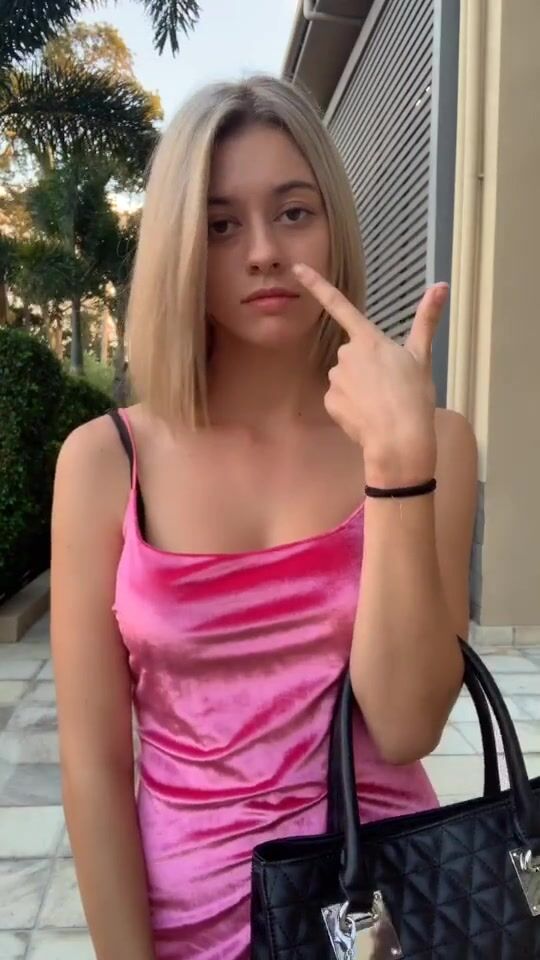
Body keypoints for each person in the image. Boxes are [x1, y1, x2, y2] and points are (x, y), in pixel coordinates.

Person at [50, 75, 478, 960]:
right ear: (178, 246)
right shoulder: (104, 461)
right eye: (219, 225)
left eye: (293, 212)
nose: (262, 253)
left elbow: (406, 725)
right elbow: (94, 765)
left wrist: (398, 469)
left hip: (384, 916)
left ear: (334, 225)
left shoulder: (433, 443)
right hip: (187, 924)